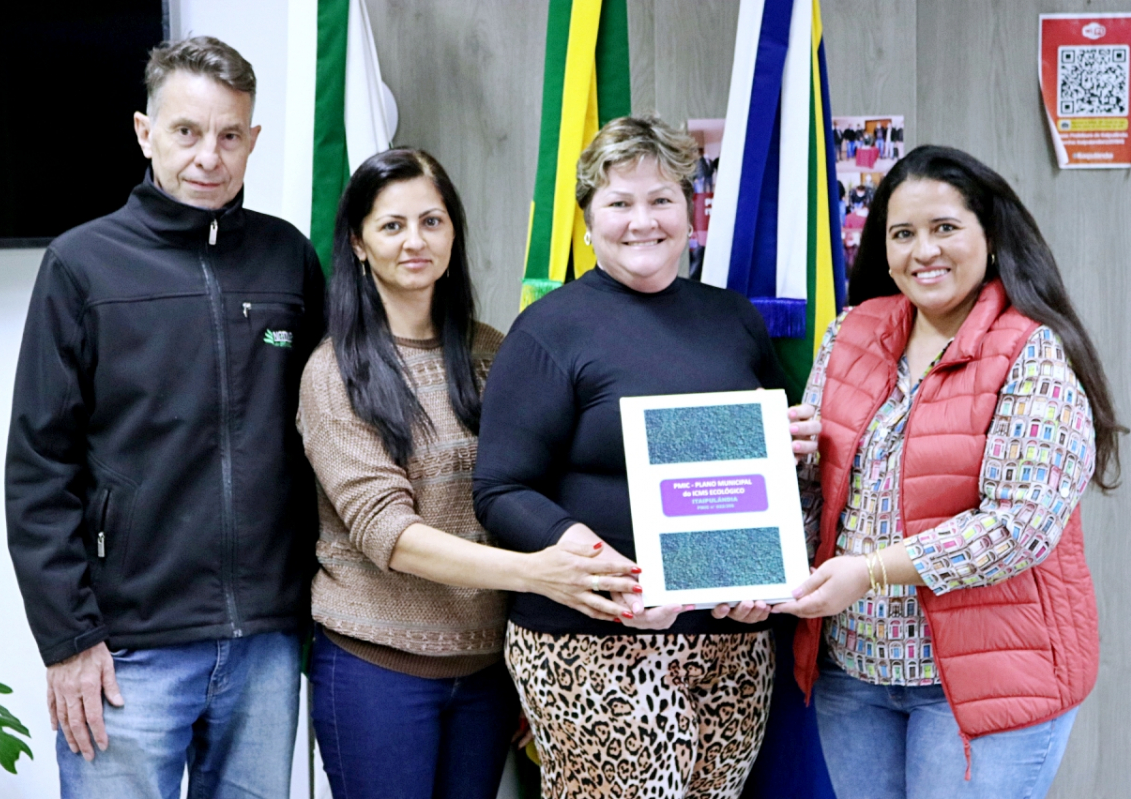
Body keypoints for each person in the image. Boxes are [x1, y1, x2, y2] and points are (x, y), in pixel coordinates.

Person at [5, 37, 325, 798]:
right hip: (126, 651)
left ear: (253, 139)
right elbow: (38, 469)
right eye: (187, 132)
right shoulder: (81, 265)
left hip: (265, 643)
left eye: (229, 135)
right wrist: (69, 640)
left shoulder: (287, 259)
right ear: (146, 133)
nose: (209, 156)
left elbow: (327, 432)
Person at [473, 116, 821, 799]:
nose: (643, 221)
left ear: (690, 212)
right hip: (592, 638)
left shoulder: (733, 319)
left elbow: (758, 472)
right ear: (588, 221)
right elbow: (501, 489)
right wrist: (606, 572)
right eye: (619, 202)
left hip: (728, 641)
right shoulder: (549, 330)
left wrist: (790, 452)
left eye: (661, 199)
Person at [776, 145, 1124, 798]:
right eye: (903, 234)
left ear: (990, 237)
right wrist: (779, 478)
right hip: (853, 672)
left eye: (944, 228)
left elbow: (1019, 526)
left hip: (985, 683)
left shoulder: (1033, 350)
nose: (924, 251)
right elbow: (816, 491)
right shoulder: (850, 333)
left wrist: (870, 571)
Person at [297, 148, 643, 799]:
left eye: (431, 221)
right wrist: (539, 574)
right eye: (392, 225)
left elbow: (550, 479)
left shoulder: (495, 351)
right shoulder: (333, 371)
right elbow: (390, 534)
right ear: (359, 244)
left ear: (453, 232)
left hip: (488, 669)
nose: (415, 241)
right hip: (378, 669)